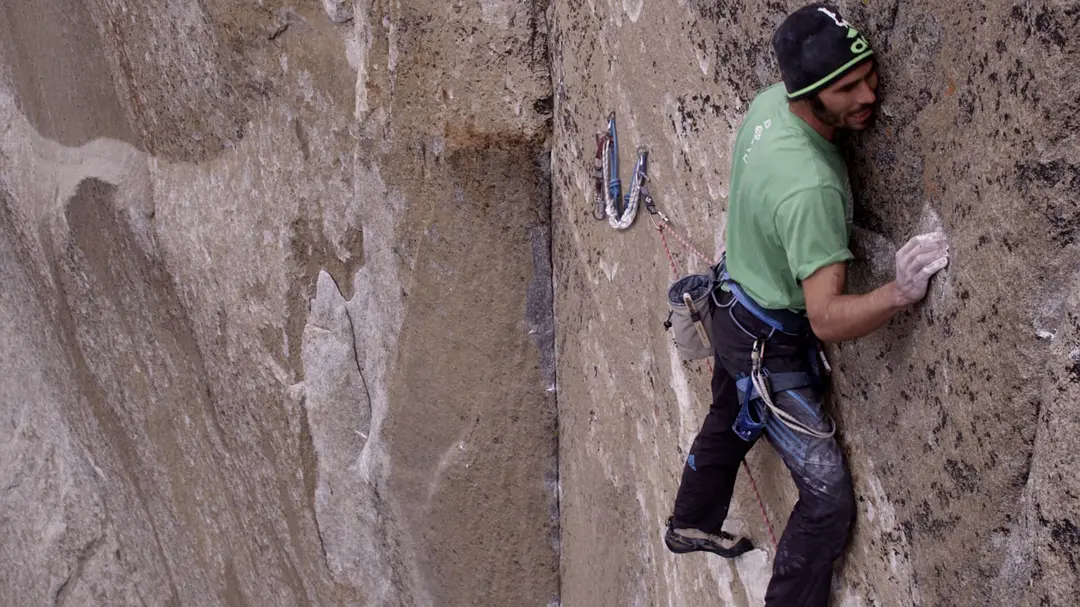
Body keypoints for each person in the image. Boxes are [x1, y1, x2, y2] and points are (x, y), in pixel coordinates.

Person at [663, 4, 950, 606]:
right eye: (848, 89)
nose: (869, 94)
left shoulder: (771, 103)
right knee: (826, 501)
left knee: (728, 415)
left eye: (869, 75)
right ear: (811, 94)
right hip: (772, 343)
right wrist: (899, 292)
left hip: (735, 306)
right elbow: (826, 318)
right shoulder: (811, 190)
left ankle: (688, 522)